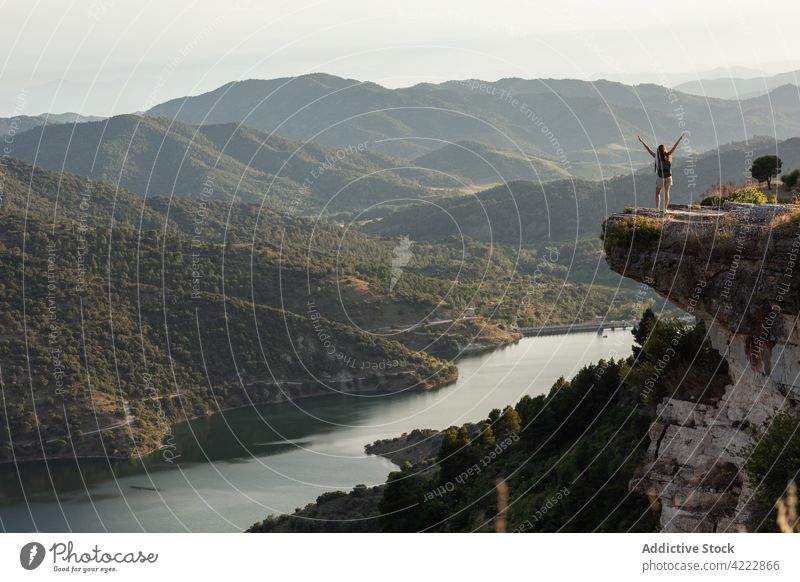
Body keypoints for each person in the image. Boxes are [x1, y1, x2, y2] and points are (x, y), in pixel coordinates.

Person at [637, 133, 684, 211]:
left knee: (657, 193)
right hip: (669, 177)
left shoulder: (656, 156)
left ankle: (658, 208)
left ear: (658, 150)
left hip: (660, 177)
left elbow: (648, 149)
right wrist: (680, 139)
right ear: (664, 149)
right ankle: (665, 209)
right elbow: (674, 147)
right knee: (667, 193)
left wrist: (642, 141)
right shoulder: (669, 155)